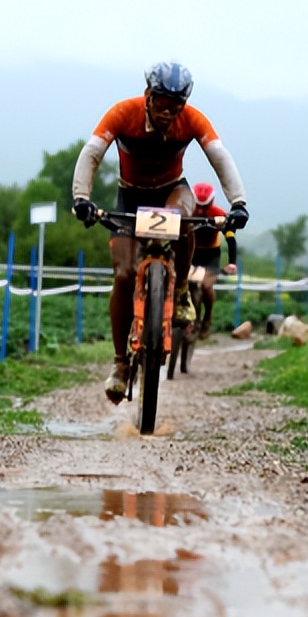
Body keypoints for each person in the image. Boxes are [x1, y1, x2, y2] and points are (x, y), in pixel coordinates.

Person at [71, 61, 249, 404]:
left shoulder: (192, 119)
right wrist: (82, 198)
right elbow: (92, 153)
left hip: (171, 190)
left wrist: (238, 202)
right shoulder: (124, 113)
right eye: (163, 102)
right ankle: (120, 365)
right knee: (123, 274)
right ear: (148, 95)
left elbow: (219, 157)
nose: (169, 111)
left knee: (182, 219)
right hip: (130, 195)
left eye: (176, 105)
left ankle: (180, 290)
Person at [189, 181, 238, 340]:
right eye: (198, 206)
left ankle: (207, 319)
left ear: (212, 202)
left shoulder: (219, 214)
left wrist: (232, 262)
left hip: (210, 255)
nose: (201, 210)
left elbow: (230, 238)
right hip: (190, 252)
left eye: (206, 206)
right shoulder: (187, 211)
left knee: (205, 285)